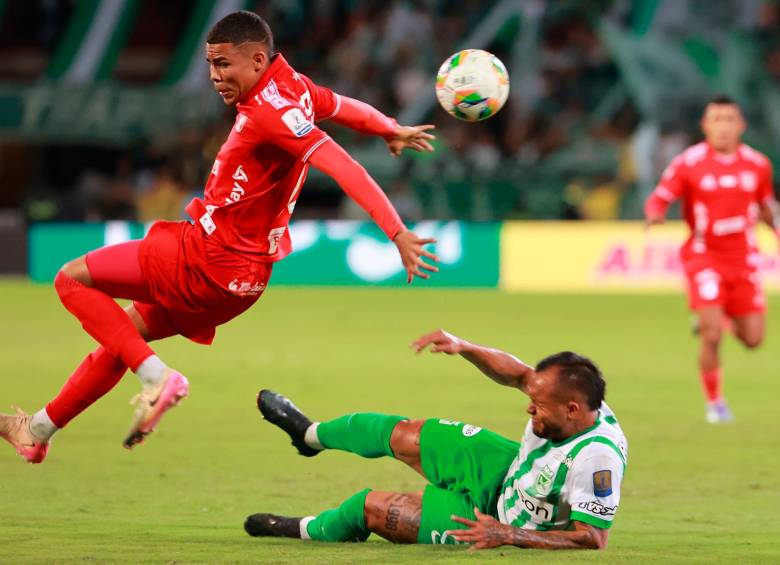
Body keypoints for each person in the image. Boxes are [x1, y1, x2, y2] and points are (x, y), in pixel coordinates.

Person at [0, 11, 439, 464]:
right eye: (211, 66)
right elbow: (346, 107)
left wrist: (397, 231)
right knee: (120, 337)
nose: (215, 77)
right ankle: (36, 431)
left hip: (205, 260)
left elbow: (343, 165)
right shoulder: (297, 89)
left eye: (224, 65)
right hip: (242, 284)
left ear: (256, 59)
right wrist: (390, 127)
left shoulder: (273, 111)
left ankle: (156, 379)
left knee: (70, 280)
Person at [245, 329, 628, 551]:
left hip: (500, 520)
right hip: (506, 469)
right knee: (406, 432)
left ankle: (298, 528)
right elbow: (518, 374)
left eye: (539, 405)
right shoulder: (568, 396)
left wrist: (506, 533)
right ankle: (309, 435)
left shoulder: (597, 458)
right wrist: (466, 348)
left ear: (574, 410)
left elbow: (593, 537)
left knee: (371, 507)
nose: (529, 408)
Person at [645, 95, 780, 424]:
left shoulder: (758, 164)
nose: (723, 126)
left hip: (744, 261)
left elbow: (767, 207)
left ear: (741, 125)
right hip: (704, 257)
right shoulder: (688, 162)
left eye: (729, 119)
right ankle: (716, 402)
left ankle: (721, 317)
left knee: (753, 339)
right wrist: (655, 214)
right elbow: (661, 195)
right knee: (712, 335)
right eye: (716, 120)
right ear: (705, 126)